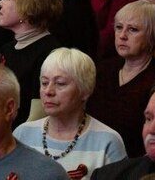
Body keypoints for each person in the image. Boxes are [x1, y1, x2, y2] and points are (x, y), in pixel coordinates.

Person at [14, 48, 127, 178]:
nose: (48, 91)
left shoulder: (108, 141)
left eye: (60, 83)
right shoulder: (22, 133)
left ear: (85, 91)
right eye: (44, 83)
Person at [87, 0, 155, 158]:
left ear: (152, 35)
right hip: (91, 154)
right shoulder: (102, 69)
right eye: (119, 27)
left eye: (133, 30)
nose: (122, 36)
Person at [0, 0, 63, 125]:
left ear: (26, 8)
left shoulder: (50, 54)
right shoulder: (6, 49)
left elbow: (37, 121)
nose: (0, 2)